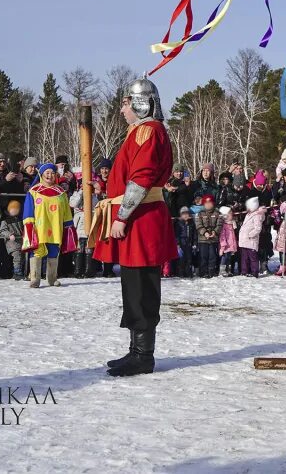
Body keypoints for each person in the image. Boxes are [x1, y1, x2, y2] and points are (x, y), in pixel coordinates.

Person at [91, 77, 177, 377]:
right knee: (132, 283)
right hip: (139, 217)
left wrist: (122, 216)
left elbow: (140, 178)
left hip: (141, 218)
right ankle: (135, 350)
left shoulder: (149, 132)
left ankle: (143, 355)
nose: (122, 109)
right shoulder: (139, 132)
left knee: (141, 285)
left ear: (141, 103)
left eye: (126, 103)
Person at [21, 164, 77, 288]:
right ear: (41, 174)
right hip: (39, 227)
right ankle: (35, 278)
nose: (49, 175)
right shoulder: (34, 191)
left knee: (53, 251)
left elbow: (66, 211)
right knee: (37, 251)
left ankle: (52, 278)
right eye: (47, 172)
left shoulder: (61, 192)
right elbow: (29, 209)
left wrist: (68, 225)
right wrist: (29, 224)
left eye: (52, 173)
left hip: (55, 227)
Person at [194, 195, 221, 278]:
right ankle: (203, 272)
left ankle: (211, 271)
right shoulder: (200, 214)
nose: (208, 205)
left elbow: (219, 224)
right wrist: (204, 232)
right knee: (203, 256)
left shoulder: (217, 213)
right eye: (206, 203)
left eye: (210, 203)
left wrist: (214, 232)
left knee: (212, 256)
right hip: (203, 239)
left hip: (213, 239)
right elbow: (198, 225)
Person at [238, 196, 265, 278]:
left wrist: (250, 235)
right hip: (244, 241)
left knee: (253, 258)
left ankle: (254, 272)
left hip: (251, 240)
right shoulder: (248, 214)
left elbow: (258, 228)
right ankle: (244, 271)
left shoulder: (257, 215)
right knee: (244, 258)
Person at [0, 200, 26, 280]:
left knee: (22, 257)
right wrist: (9, 234)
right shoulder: (5, 221)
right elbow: (2, 231)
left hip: (20, 242)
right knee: (17, 257)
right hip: (12, 243)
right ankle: (17, 273)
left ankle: (19, 271)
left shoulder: (18, 219)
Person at [218, 206, 238, 276]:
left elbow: (233, 236)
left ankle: (228, 270)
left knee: (229, 258)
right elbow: (222, 236)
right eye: (229, 213)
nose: (231, 214)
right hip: (225, 246)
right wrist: (223, 245)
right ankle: (222, 270)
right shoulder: (224, 225)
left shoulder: (232, 224)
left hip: (231, 246)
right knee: (224, 258)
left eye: (231, 213)